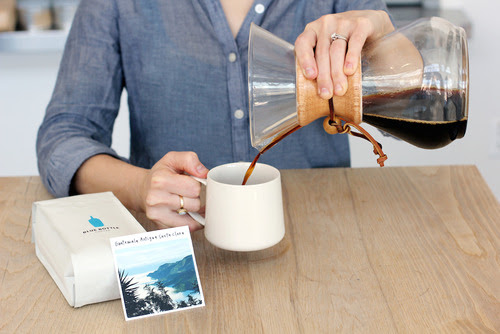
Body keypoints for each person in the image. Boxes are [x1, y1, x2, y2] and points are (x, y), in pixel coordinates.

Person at [37, 0, 394, 231]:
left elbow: (423, 99)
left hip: (325, 239)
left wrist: (383, 29)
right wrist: (140, 186)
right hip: (181, 254)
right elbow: (63, 138)